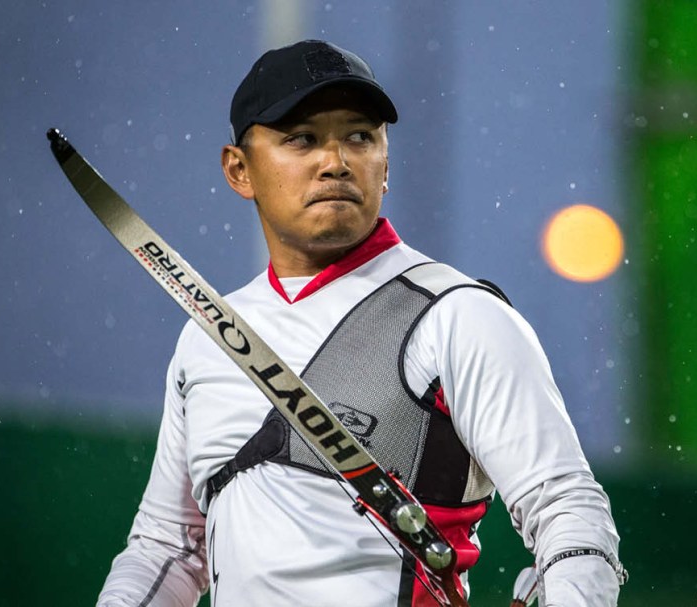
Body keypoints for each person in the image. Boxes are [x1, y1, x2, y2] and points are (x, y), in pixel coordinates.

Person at [96, 39, 624, 607]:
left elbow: (570, 515)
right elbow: (168, 549)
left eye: (359, 136)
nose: (336, 161)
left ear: (386, 163)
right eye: (302, 138)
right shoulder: (206, 339)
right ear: (239, 170)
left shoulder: (457, 315)